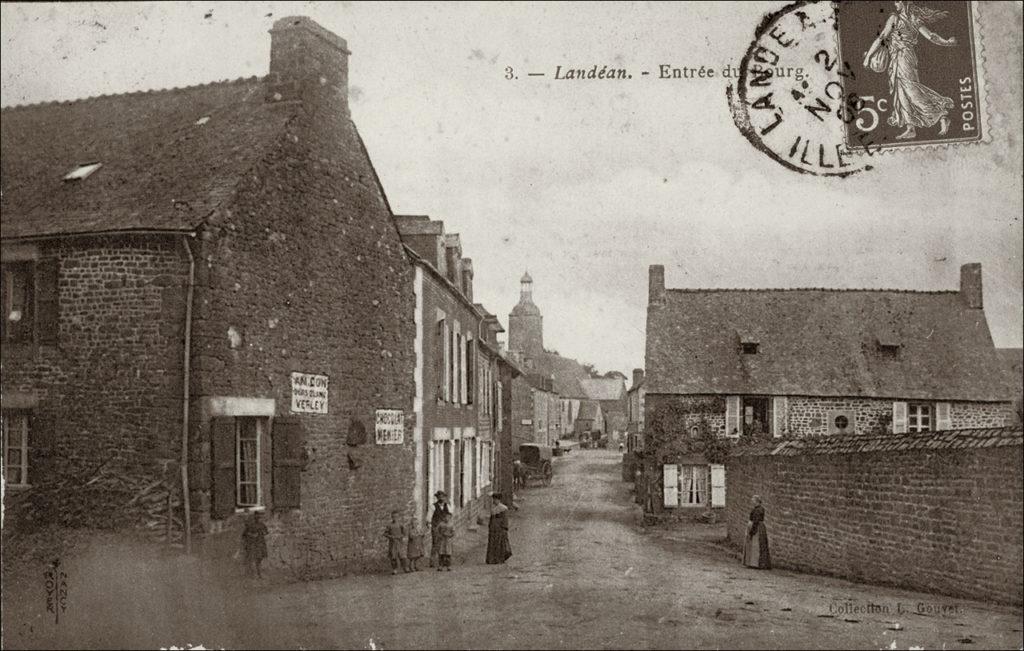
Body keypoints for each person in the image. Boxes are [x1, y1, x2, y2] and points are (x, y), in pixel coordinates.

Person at [863, 1, 957, 140]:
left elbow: (882, 37)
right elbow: (931, 36)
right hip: (898, 57)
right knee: (900, 91)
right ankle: (910, 128)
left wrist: (869, 57)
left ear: (905, 2)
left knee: (911, 89)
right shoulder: (909, 19)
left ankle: (941, 115)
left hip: (904, 57)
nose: (895, 4)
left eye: (897, 1)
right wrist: (946, 42)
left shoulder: (898, 18)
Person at [742, 495, 772, 570]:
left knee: (756, 545)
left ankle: (756, 563)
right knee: (757, 545)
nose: (752, 501)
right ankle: (756, 563)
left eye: (753, 500)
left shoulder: (758, 510)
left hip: (757, 528)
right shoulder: (758, 509)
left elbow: (756, 521)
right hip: (759, 527)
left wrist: (752, 531)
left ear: (757, 501)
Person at [485, 492, 513, 565]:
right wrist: (490, 526)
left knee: (500, 544)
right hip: (493, 529)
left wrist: (504, 528)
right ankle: (492, 559)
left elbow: (505, 520)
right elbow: (491, 519)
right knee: (492, 544)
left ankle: (499, 559)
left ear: (499, 500)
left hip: (500, 528)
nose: (494, 501)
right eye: (494, 499)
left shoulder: (503, 508)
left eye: (495, 499)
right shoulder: (493, 508)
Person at [241, 511, 269, 579]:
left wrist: (263, 533)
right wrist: (252, 535)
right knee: (253, 558)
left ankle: (259, 574)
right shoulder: (250, 525)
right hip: (253, 544)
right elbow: (244, 534)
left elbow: (266, 532)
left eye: (259, 517)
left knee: (259, 559)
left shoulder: (262, 524)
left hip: (260, 543)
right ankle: (254, 574)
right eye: (256, 517)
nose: (258, 518)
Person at [429, 490, 451, 568]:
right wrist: (431, 525)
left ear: (444, 497)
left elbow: (450, 515)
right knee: (435, 544)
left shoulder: (447, 506)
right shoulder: (433, 506)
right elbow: (429, 517)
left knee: (445, 544)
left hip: (445, 528)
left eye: (442, 497)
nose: (441, 498)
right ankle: (432, 561)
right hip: (436, 527)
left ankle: (444, 561)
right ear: (437, 498)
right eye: (439, 497)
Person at [384, 510, 410, 575]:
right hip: (392, 543)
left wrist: (400, 536)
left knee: (402, 556)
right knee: (393, 557)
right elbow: (385, 533)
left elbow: (405, 533)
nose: (394, 518)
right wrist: (391, 536)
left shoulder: (401, 525)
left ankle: (405, 568)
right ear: (391, 517)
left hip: (399, 542)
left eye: (396, 516)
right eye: (393, 517)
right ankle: (394, 569)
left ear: (398, 517)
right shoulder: (389, 525)